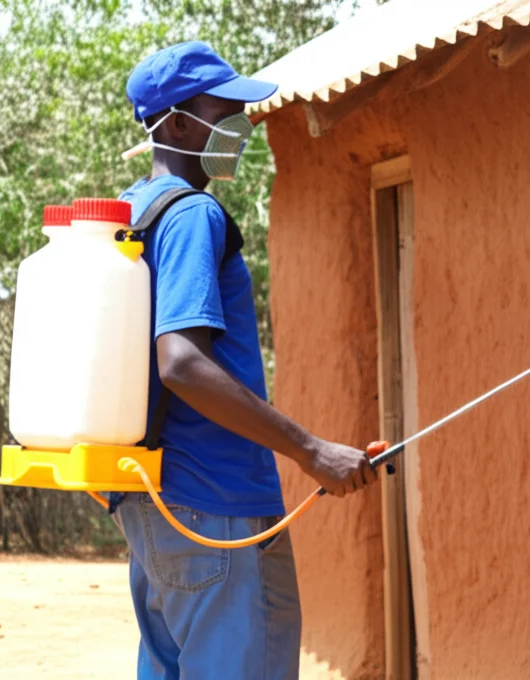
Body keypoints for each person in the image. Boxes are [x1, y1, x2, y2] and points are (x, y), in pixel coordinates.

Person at [109, 41, 380, 680]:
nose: (239, 124)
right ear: (176, 123)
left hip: (154, 509)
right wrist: (310, 449)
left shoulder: (130, 212)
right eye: (223, 109)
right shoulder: (192, 214)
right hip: (217, 510)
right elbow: (178, 362)